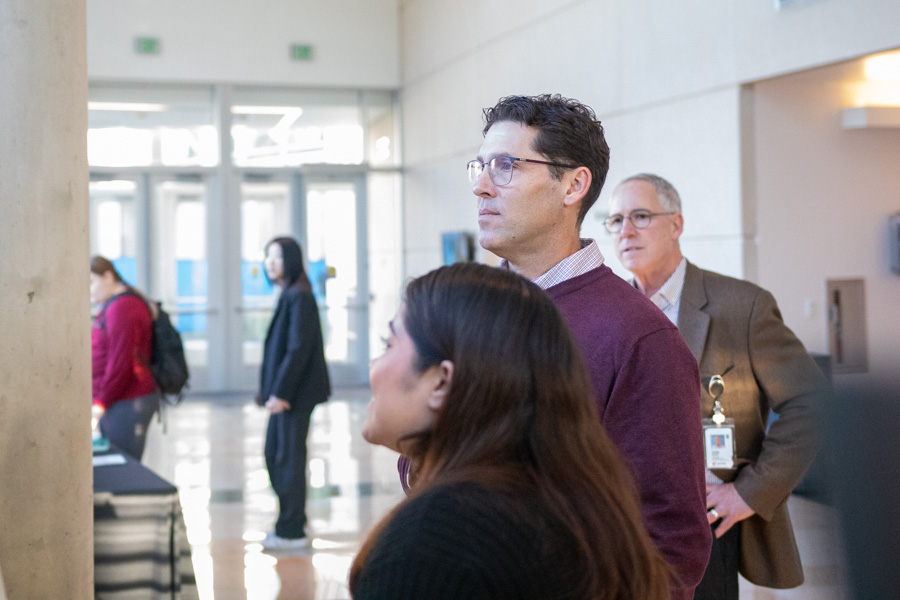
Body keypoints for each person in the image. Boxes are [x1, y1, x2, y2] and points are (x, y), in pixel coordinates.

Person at [465, 94, 712, 599]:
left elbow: (670, 544)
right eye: (480, 166)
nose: (481, 185)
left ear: (573, 185)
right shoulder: (471, 311)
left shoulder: (639, 338)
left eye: (506, 166)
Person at [351, 263, 672, 600]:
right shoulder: (579, 508)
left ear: (441, 382)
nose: (373, 366)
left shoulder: (428, 548)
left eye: (388, 344)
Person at [607, 173, 827, 598]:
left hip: (702, 520)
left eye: (640, 216)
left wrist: (748, 492)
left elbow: (811, 403)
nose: (626, 231)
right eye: (615, 221)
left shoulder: (742, 307)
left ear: (676, 224)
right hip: (621, 523)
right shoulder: (613, 310)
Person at [258, 237, 331, 551]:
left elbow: (298, 349)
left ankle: (292, 531)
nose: (270, 263)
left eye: (276, 257)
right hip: (288, 395)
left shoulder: (299, 295)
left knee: (287, 459)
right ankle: (289, 524)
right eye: (267, 257)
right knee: (278, 455)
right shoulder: (291, 293)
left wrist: (281, 393)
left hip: (294, 396)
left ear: (291, 259)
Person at [90, 255, 159, 461]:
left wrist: (101, 403)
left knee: (125, 462)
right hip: (118, 400)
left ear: (108, 276)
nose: (88, 290)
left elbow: (121, 363)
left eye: (91, 282)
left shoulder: (123, 307)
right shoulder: (113, 304)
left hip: (127, 400)